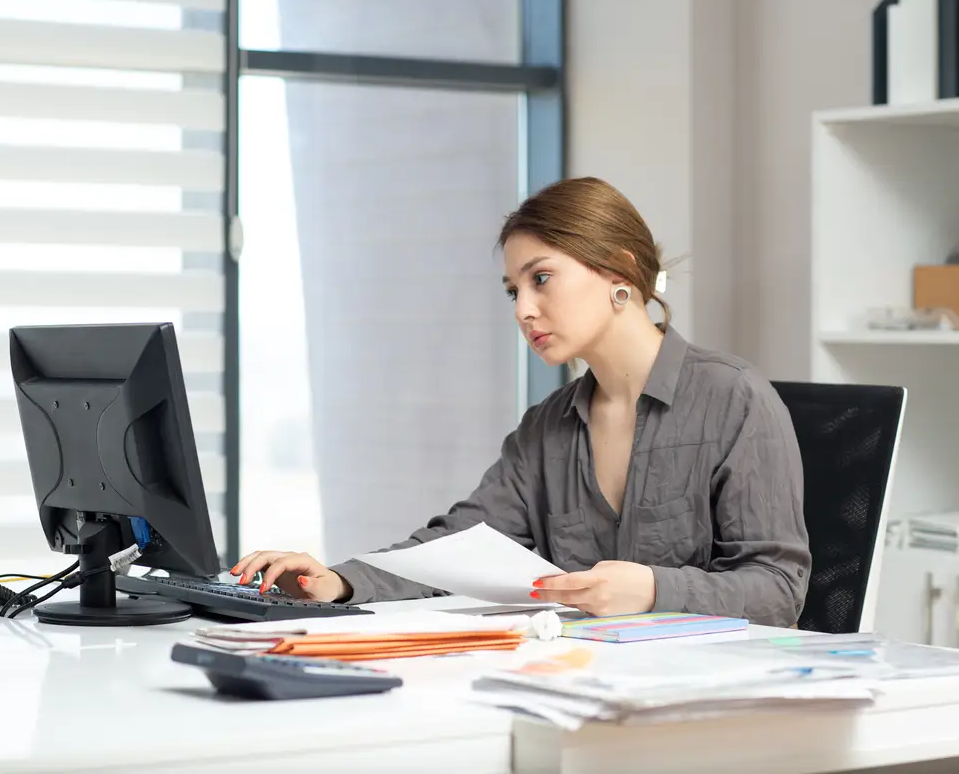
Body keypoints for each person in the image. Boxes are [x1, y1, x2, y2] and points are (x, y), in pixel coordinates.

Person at [233, 176, 811, 628]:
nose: (522, 310)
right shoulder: (548, 427)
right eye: (514, 290)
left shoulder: (732, 398)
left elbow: (779, 590)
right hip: (582, 683)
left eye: (541, 279)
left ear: (621, 274)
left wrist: (654, 590)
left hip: (708, 698)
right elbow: (458, 547)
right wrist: (335, 581)